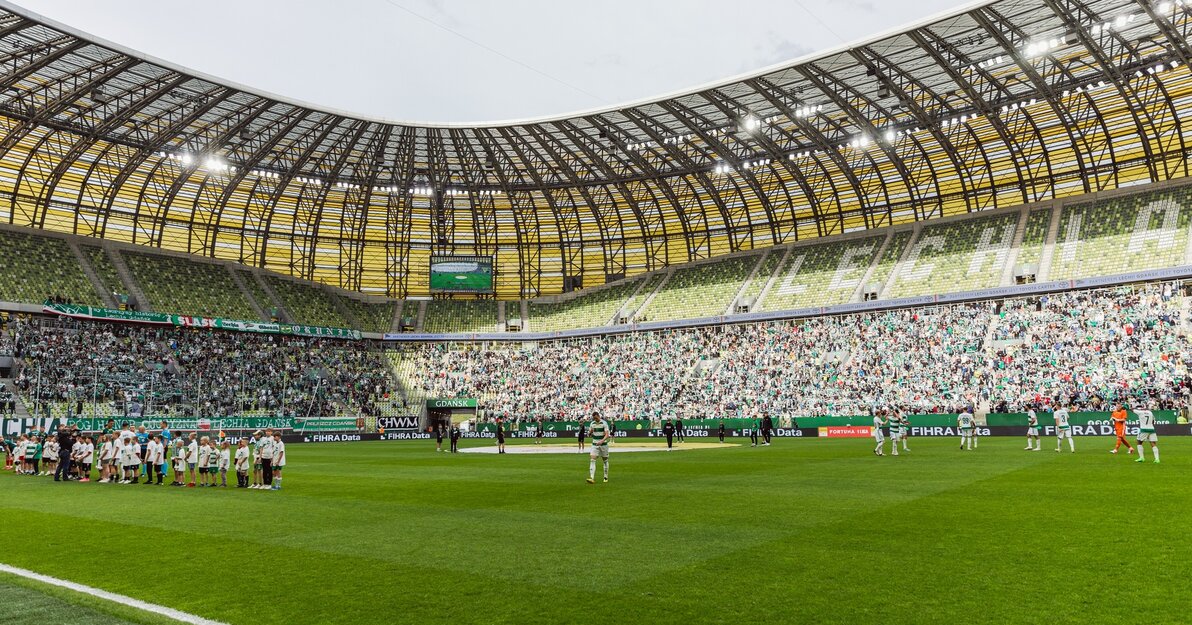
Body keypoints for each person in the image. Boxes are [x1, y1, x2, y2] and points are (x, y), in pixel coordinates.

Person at [587, 411, 610, 484]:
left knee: (605, 460)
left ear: (598, 416)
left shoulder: (604, 423)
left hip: (603, 445)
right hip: (594, 444)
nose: (595, 419)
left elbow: (607, 435)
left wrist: (602, 441)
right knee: (592, 459)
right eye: (594, 418)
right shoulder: (592, 424)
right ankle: (592, 478)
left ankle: (605, 476)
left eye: (596, 418)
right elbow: (589, 434)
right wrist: (590, 432)